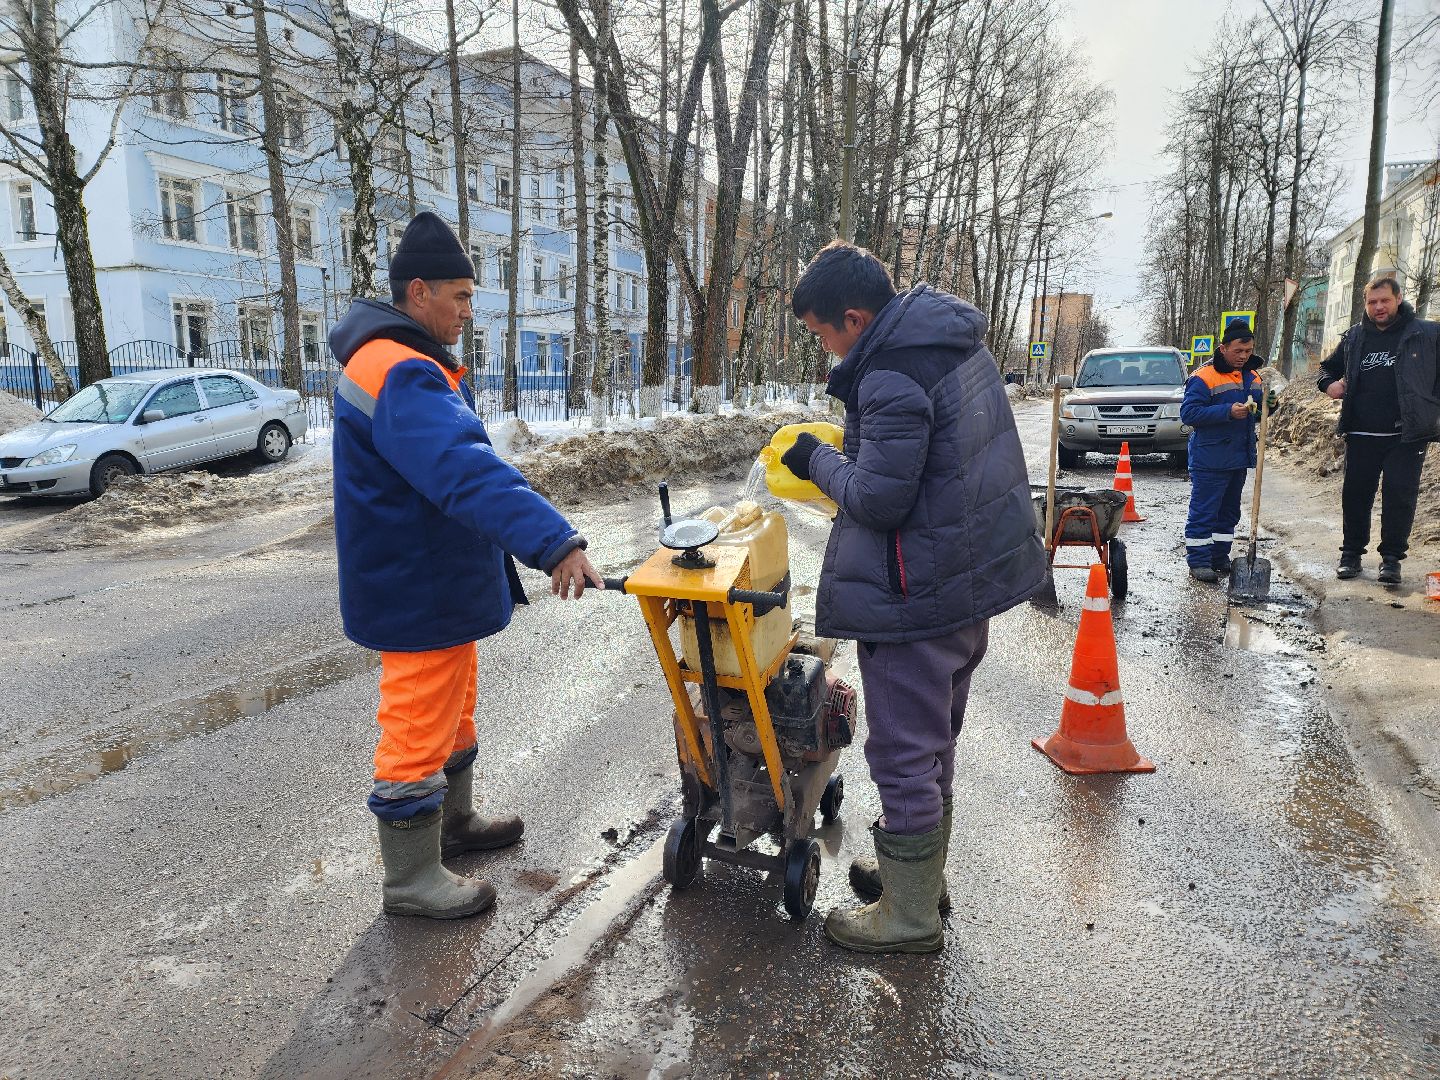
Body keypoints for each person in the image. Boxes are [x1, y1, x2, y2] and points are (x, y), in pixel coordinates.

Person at [328, 211, 602, 920]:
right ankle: (411, 876)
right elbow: (465, 472)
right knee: (419, 718)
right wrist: (554, 542)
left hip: (431, 578)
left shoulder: (406, 361)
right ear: (418, 292)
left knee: (453, 708)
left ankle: (453, 822)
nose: (467, 311)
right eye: (460, 296)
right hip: (417, 583)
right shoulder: (400, 371)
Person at [781, 242, 1048, 954]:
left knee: (902, 750)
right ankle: (920, 880)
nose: (824, 348)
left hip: (914, 597)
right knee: (934, 741)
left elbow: (880, 497)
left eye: (823, 333)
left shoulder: (892, 369)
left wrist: (817, 460)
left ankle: (907, 917)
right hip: (961, 587)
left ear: (856, 316)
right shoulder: (944, 343)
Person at [1317, 277, 1440, 584]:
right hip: (1361, 433)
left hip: (1407, 435)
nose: (1378, 307)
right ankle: (1351, 555)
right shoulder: (1355, 337)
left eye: (1384, 300)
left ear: (1398, 299)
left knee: (1400, 497)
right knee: (1355, 496)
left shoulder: (1426, 334)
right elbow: (1326, 369)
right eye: (1372, 302)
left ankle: (1391, 560)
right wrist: (1329, 384)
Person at [1180, 322, 1268, 583]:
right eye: (1238, 350)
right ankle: (1198, 561)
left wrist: (1267, 405)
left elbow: (1261, 409)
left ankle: (1219, 556)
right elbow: (1189, 414)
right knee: (1205, 511)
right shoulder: (1203, 377)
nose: (1243, 356)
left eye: (1248, 350)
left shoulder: (1253, 377)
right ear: (1223, 348)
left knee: (1229, 512)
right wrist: (1228, 412)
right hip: (1210, 458)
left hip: (1238, 457)